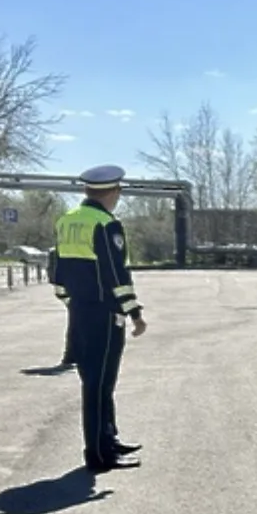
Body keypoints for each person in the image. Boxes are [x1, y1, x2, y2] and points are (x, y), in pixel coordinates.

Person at [53, 165, 147, 473]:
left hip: (81, 310)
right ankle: (98, 453)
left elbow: (58, 273)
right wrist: (133, 311)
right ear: (112, 192)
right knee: (99, 383)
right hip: (105, 313)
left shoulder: (66, 222)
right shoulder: (106, 224)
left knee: (96, 380)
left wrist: (73, 303)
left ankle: (108, 438)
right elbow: (116, 272)